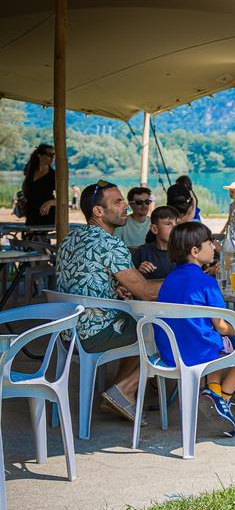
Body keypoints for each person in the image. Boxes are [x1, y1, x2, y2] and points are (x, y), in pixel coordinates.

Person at [56, 180, 162, 422]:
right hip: (94, 334)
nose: (126, 206)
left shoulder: (71, 238)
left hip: (66, 332)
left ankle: (118, 392)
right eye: (118, 202)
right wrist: (187, 280)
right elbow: (146, 292)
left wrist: (115, 289)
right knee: (162, 329)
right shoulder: (109, 243)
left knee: (137, 323)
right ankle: (123, 390)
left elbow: (86, 279)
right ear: (98, 211)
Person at [156, 222, 235, 436]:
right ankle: (222, 397)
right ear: (194, 251)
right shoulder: (206, 282)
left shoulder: (169, 279)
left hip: (170, 352)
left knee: (214, 339)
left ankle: (214, 393)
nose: (214, 246)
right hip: (198, 352)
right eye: (209, 242)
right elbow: (222, 327)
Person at [132, 205, 179, 280]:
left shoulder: (183, 252)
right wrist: (139, 272)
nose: (175, 228)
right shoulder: (142, 252)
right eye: (168, 224)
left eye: (177, 224)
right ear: (154, 229)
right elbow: (130, 281)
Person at [21, 144, 56, 226]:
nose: (52, 158)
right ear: (40, 156)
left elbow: (63, 199)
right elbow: (25, 190)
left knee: (42, 234)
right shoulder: (30, 172)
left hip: (46, 213)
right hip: (31, 213)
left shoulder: (53, 175)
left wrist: (50, 203)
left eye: (53, 155)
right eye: (49, 155)